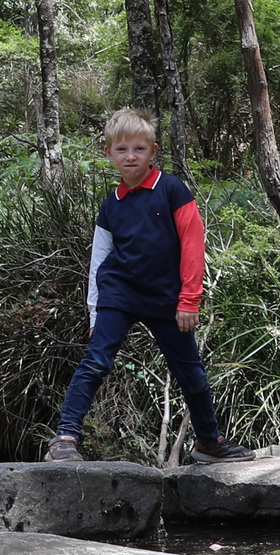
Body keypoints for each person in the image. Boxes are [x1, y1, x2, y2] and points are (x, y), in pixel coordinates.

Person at [48, 108, 256, 466]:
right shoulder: (111, 205)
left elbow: (193, 244)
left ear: (153, 151)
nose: (131, 157)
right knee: (96, 361)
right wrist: (95, 312)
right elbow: (99, 260)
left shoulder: (171, 190)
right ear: (108, 153)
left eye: (139, 149)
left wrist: (189, 300)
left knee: (190, 372)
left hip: (166, 298)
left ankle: (209, 442)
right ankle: (65, 438)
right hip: (119, 293)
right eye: (122, 149)